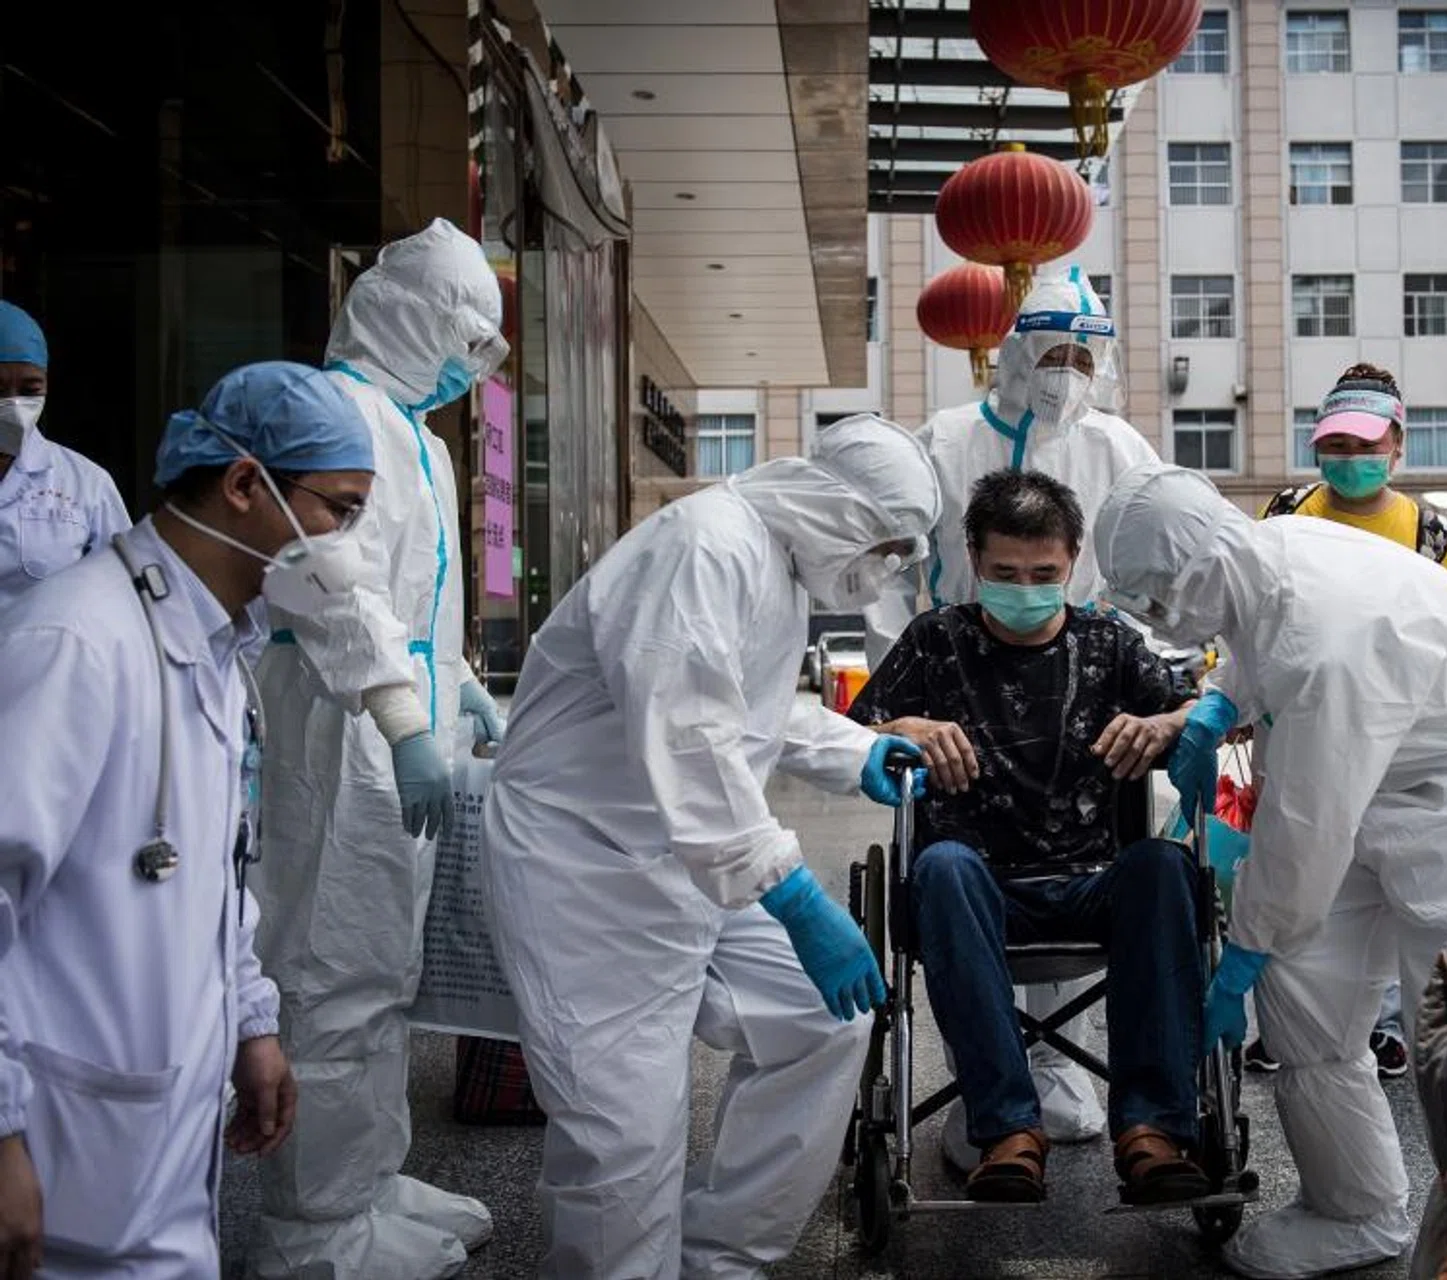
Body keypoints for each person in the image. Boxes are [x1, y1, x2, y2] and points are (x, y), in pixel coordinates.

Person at [1094, 463, 1447, 1279]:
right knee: (1303, 984)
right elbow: (1260, 643)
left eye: (1157, 598)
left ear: (1198, 566)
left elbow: (1303, 824)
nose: (1156, 619)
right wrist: (1222, 701)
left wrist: (1245, 948)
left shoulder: (1329, 644)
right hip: (1386, 785)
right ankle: (1354, 1208)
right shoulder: (1273, 549)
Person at [481, 413, 938, 1279]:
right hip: (586, 873)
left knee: (822, 1021)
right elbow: (690, 737)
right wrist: (795, 896)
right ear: (838, 510)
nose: (880, 572)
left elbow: (745, 711)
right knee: (623, 1138)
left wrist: (856, 750)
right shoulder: (703, 547)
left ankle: (720, 1256)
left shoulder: (771, 561)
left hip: (682, 862)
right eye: (883, 549)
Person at [0, 360, 377, 1277]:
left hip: (156, 1157)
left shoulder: (216, 651)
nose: (347, 546)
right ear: (247, 484)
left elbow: (213, 872)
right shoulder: (76, 640)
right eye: (341, 510)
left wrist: (252, 1022)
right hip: (59, 1171)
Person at [248, 219, 508, 1280]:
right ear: (406, 311)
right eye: (463, 333)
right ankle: (310, 1233)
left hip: (404, 730)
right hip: (338, 734)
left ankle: (365, 1187)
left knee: (387, 977)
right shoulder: (339, 414)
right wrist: (405, 718)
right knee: (329, 979)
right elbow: (326, 582)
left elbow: (421, 606)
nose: (471, 363)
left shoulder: (424, 437)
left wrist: (463, 692)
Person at [849, 468, 1206, 1204]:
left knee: (1165, 867)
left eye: (1045, 573)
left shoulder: (1109, 645)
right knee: (942, 867)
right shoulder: (934, 642)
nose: (1025, 586)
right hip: (973, 890)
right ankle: (1009, 1129)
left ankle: (1153, 1129)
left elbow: (1202, 710)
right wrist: (900, 727)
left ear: (1075, 560)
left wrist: (1164, 723)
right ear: (974, 561)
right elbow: (844, 735)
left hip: (1090, 881)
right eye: (1005, 572)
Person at [866, 265, 1159, 1156]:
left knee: (1115, 847)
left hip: (1087, 674)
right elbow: (893, 565)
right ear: (1016, 353)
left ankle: (1071, 1074)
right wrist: (904, 707)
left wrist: (1155, 693)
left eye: (1083, 354)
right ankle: (991, 1097)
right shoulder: (949, 438)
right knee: (962, 866)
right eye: (1052, 352)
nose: (1066, 371)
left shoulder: (1118, 448)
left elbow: (1151, 562)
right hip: (963, 676)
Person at [1250, 362, 1447, 1081]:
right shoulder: (1287, 513)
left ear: (1398, 446)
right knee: (1294, 865)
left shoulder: (1428, 531)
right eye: (1335, 445)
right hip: (1300, 725)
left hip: (1398, 738)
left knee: (1390, 876)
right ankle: (1284, 1019)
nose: (1349, 461)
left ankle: (1389, 1024)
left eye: (1366, 446)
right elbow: (1254, 613)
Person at [0, 299, 131, 610]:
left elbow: (124, 591)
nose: (14, 404)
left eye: (30, 390)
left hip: (45, 657)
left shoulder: (86, 484)